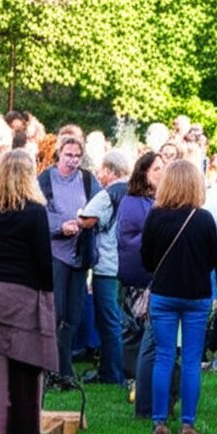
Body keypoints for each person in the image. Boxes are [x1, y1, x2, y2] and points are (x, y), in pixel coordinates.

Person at [0, 150, 58, 434]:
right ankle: (24, 426)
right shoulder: (35, 211)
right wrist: (46, 295)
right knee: (26, 361)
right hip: (21, 290)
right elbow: (44, 258)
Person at [141, 160, 217, 434]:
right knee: (191, 360)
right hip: (196, 295)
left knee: (163, 357)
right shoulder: (204, 218)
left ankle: (159, 421)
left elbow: (146, 260)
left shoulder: (155, 216)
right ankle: (188, 423)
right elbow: (212, 259)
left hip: (163, 293)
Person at [40, 135, 100, 386]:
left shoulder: (87, 180)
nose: (73, 161)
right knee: (55, 311)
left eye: (77, 156)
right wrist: (59, 227)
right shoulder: (45, 179)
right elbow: (36, 214)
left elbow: (101, 208)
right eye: (69, 155)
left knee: (73, 313)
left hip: (80, 253)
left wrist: (87, 222)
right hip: (55, 253)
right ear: (59, 154)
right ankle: (51, 369)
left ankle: (65, 369)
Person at [116, 151, 165, 416]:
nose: (161, 173)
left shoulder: (160, 200)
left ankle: (148, 383)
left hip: (156, 275)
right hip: (139, 276)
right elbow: (132, 240)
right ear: (143, 172)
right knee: (138, 332)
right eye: (156, 169)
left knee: (151, 334)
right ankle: (136, 381)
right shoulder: (133, 202)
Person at [78, 150, 132, 385]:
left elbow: (87, 219)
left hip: (106, 264)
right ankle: (116, 368)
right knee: (119, 318)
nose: (99, 174)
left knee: (108, 319)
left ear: (110, 171)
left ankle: (112, 372)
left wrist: (78, 215)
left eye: (102, 169)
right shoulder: (134, 192)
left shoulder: (107, 194)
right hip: (126, 263)